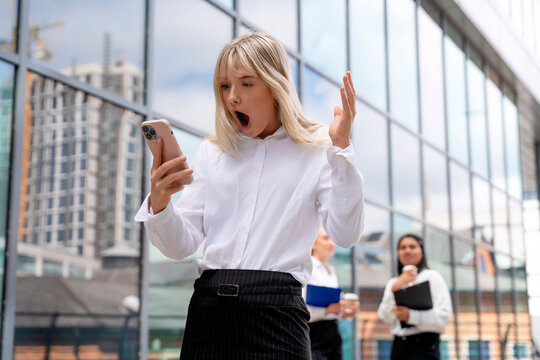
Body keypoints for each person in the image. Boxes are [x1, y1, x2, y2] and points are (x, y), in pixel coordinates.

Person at [135, 33, 365, 359]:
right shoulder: (211, 151)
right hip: (209, 311)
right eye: (225, 86)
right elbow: (179, 246)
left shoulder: (318, 147)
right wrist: (159, 201)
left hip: (279, 315)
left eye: (246, 84)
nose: (232, 98)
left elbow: (345, 233)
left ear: (275, 85)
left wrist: (341, 150)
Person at [377, 234, 452, 360]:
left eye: (412, 247)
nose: (407, 250)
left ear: (421, 251)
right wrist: (395, 288)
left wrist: (410, 316)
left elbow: (444, 317)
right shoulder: (393, 282)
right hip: (399, 346)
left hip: (425, 346)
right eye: (403, 247)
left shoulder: (432, 277)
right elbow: (384, 316)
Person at [304, 226, 358, 360]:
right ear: (313, 243)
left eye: (333, 239)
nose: (332, 243)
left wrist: (343, 311)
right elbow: (302, 310)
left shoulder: (331, 271)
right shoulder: (308, 269)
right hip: (314, 334)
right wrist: (328, 310)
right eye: (326, 238)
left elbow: (334, 309)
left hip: (333, 333)